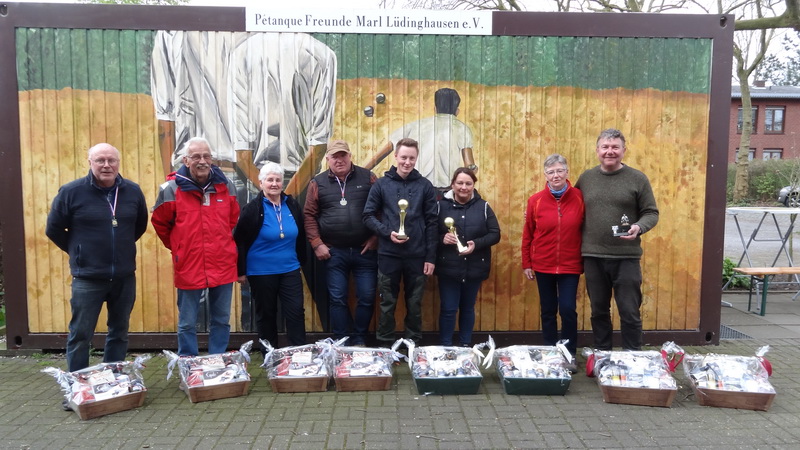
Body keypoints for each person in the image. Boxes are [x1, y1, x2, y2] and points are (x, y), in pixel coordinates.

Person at [45, 143, 148, 409]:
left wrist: (119, 252)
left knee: (119, 330)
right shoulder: (71, 192)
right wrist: (79, 251)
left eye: (111, 160)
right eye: (100, 160)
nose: (106, 165)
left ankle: (113, 383)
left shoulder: (132, 191)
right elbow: (54, 229)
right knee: (81, 333)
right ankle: (77, 389)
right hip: (88, 278)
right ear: (89, 162)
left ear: (118, 162)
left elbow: (139, 226)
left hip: (124, 276)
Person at [151, 137, 240, 356]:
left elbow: (233, 220)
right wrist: (180, 247)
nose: (202, 161)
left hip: (222, 263)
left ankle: (216, 360)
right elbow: (160, 224)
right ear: (186, 160)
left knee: (221, 319)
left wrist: (220, 242)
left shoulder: (225, 186)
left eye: (207, 156)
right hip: (189, 264)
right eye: (196, 156)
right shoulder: (171, 189)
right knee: (187, 322)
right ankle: (188, 362)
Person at [576, 129, 659, 351]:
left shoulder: (637, 178)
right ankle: (603, 355)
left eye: (615, 147)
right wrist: (536, 211)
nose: (609, 151)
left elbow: (651, 213)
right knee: (599, 311)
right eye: (605, 147)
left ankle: (633, 357)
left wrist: (639, 227)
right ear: (597, 150)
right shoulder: (586, 178)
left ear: (623, 150)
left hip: (626, 257)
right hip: (593, 256)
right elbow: (567, 206)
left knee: (629, 311)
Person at [363, 138, 438, 345]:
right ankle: (386, 346)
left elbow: (432, 223)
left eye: (411, 158)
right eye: (403, 157)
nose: (407, 162)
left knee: (415, 304)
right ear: (396, 156)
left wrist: (430, 257)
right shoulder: (381, 184)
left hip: (417, 255)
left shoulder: (425, 186)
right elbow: (367, 215)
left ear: (416, 158)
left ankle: (413, 345)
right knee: (387, 302)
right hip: (388, 255)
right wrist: (387, 233)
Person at [303, 140, 378, 346]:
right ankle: (341, 340)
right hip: (334, 252)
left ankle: (360, 338)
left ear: (350, 156)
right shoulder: (317, 183)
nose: (339, 160)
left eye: (343, 155)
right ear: (327, 159)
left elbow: (382, 209)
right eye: (335, 156)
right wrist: (317, 243)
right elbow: (309, 215)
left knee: (367, 296)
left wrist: (375, 238)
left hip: (365, 251)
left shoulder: (369, 177)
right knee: (337, 298)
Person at [234, 162, 307, 347]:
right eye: (269, 180)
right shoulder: (252, 209)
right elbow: (240, 240)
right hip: (261, 272)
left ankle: (299, 353)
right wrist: (240, 271)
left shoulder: (291, 204)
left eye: (277, 180)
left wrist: (302, 261)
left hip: (290, 268)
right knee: (267, 314)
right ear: (261, 183)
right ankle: (270, 356)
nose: (274, 184)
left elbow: (301, 235)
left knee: (296, 312)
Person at [521, 154, 584, 363]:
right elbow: (528, 234)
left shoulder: (579, 197)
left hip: (570, 265)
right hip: (543, 264)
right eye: (551, 172)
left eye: (559, 170)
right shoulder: (535, 200)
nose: (555, 175)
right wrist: (526, 263)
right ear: (545, 175)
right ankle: (550, 353)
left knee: (567, 309)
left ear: (567, 172)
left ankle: (568, 354)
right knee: (548, 310)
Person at [436, 168, 500, 347]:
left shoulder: (484, 207)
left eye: (468, 183)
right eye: (460, 183)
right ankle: (445, 347)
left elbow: (495, 234)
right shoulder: (441, 206)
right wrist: (442, 238)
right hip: (448, 268)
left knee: (467, 309)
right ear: (453, 185)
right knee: (448, 310)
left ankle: (465, 346)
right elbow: (429, 233)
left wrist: (476, 244)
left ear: (473, 185)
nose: (464, 187)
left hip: (474, 268)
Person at [388, 88, 476, 188]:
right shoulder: (462, 128)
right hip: (446, 192)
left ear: (435, 109)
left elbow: (389, 146)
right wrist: (472, 170)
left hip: (417, 188)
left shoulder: (417, 125)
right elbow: (469, 165)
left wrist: (366, 170)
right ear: (457, 111)